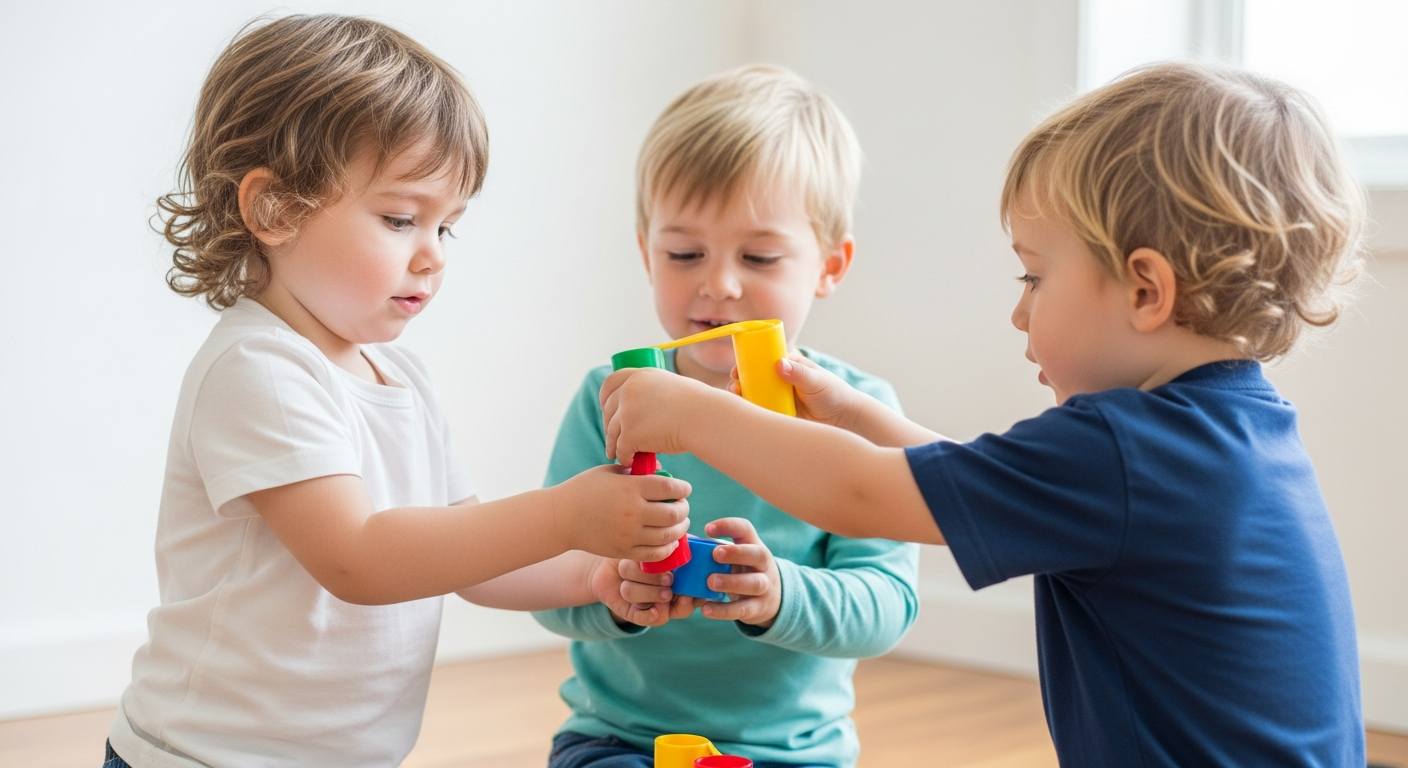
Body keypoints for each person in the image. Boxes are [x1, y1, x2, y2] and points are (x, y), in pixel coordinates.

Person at [601, 62, 1365, 766]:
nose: (1017, 311)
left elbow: (862, 497)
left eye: (1034, 275)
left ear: (1146, 290)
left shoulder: (1121, 449)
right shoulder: (1229, 432)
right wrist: (856, 413)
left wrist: (693, 416)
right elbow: (971, 482)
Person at [104, 15, 691, 768]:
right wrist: (563, 514)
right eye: (401, 218)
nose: (432, 256)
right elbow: (360, 559)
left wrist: (594, 574)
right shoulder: (258, 370)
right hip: (203, 756)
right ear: (275, 209)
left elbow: (469, 552)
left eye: (447, 228)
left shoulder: (402, 377)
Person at [533, 65, 920, 768]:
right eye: (685, 253)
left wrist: (780, 594)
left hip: (795, 754)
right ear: (646, 252)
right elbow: (542, 575)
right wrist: (612, 589)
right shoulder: (611, 398)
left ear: (830, 266)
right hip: (618, 740)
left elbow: (887, 602)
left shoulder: (860, 415)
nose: (719, 283)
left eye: (760, 256)